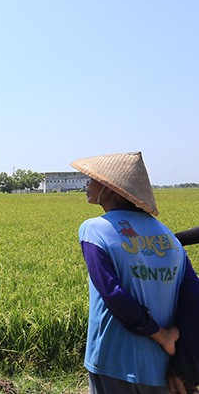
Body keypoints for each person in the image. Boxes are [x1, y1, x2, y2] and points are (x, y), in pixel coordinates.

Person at [71, 151, 199, 393]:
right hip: (161, 368)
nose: (86, 184)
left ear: (109, 188)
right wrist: (186, 366)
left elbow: (112, 293)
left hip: (112, 361)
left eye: (92, 179)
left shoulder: (94, 229)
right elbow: (194, 299)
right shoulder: (168, 237)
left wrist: (160, 334)